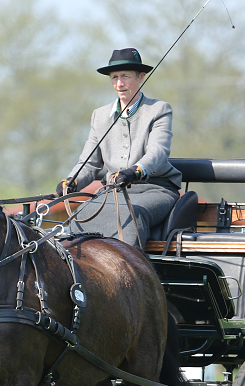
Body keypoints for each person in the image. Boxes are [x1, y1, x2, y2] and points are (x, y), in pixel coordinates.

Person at [55, 48, 182, 250]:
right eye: (114, 77)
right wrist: (72, 181)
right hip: (112, 192)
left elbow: (158, 152)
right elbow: (89, 162)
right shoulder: (99, 115)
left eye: (125, 76)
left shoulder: (159, 110)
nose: (119, 84)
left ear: (141, 77)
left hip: (156, 189)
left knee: (130, 212)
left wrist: (135, 171)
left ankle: (133, 275)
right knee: (81, 216)